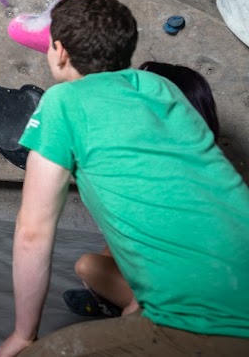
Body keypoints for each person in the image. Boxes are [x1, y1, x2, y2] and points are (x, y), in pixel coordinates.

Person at [0, 0, 249, 357]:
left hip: (210, 320)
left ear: (60, 51)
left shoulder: (63, 101)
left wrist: (24, 335)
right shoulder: (161, 88)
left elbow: (33, 231)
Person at [64, 61, 223, 319]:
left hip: (205, 297)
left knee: (90, 267)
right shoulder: (193, 160)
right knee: (104, 255)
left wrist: (135, 311)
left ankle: (132, 305)